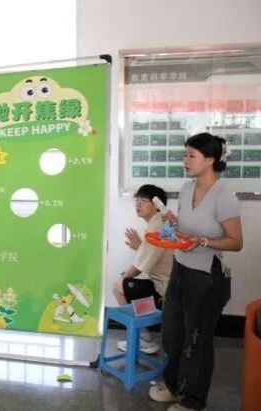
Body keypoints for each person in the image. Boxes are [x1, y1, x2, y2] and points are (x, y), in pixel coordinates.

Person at [149, 133, 243, 411]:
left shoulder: (224, 196)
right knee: (172, 334)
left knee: (197, 340)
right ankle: (174, 386)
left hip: (206, 277)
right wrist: (173, 222)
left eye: (192, 155)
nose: (185, 160)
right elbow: (185, 231)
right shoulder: (186, 189)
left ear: (210, 160)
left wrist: (202, 242)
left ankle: (193, 400)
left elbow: (236, 242)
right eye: (185, 154)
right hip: (180, 269)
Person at [112, 184, 173, 354]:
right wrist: (140, 247)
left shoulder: (157, 226)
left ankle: (144, 338)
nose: (138, 204)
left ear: (157, 205)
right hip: (168, 288)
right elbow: (153, 256)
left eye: (144, 200)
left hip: (164, 293)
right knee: (125, 283)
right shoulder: (160, 222)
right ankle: (143, 335)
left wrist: (123, 279)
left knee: (118, 286)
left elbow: (139, 267)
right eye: (137, 200)